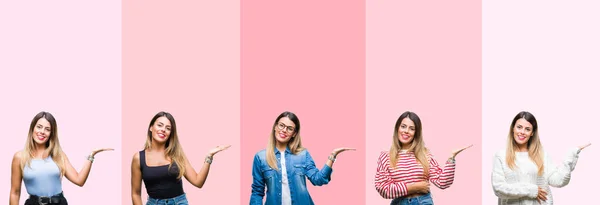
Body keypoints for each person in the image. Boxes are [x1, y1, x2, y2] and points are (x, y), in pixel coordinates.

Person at [250, 111, 355, 205]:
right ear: (275, 127)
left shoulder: (303, 155)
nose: (284, 130)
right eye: (281, 125)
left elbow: (318, 179)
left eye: (290, 128)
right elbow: (257, 192)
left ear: (294, 133)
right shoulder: (261, 157)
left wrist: (332, 156)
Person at [9, 111, 113, 205]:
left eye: (47, 129)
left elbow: (79, 180)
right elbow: (15, 192)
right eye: (39, 127)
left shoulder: (58, 155)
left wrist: (91, 155)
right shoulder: (19, 157)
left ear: (51, 134)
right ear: (32, 128)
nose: (42, 132)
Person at [492, 111, 590, 205]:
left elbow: (558, 181)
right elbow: (498, 188)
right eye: (519, 127)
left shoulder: (541, 155)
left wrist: (571, 155)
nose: (522, 132)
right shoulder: (501, 156)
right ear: (513, 128)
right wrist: (531, 190)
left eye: (527, 129)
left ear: (532, 133)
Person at [131, 111, 230, 205]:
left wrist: (209, 156)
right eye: (160, 125)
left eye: (168, 128)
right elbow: (135, 193)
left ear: (170, 133)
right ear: (151, 127)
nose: (163, 130)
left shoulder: (177, 155)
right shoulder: (138, 158)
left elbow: (198, 182)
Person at [375, 111, 471, 205]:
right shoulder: (385, 157)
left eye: (412, 128)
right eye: (403, 126)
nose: (406, 131)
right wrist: (413, 187)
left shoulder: (424, 155)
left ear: (416, 133)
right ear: (397, 128)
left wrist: (451, 157)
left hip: (422, 202)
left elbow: (442, 183)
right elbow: (382, 188)